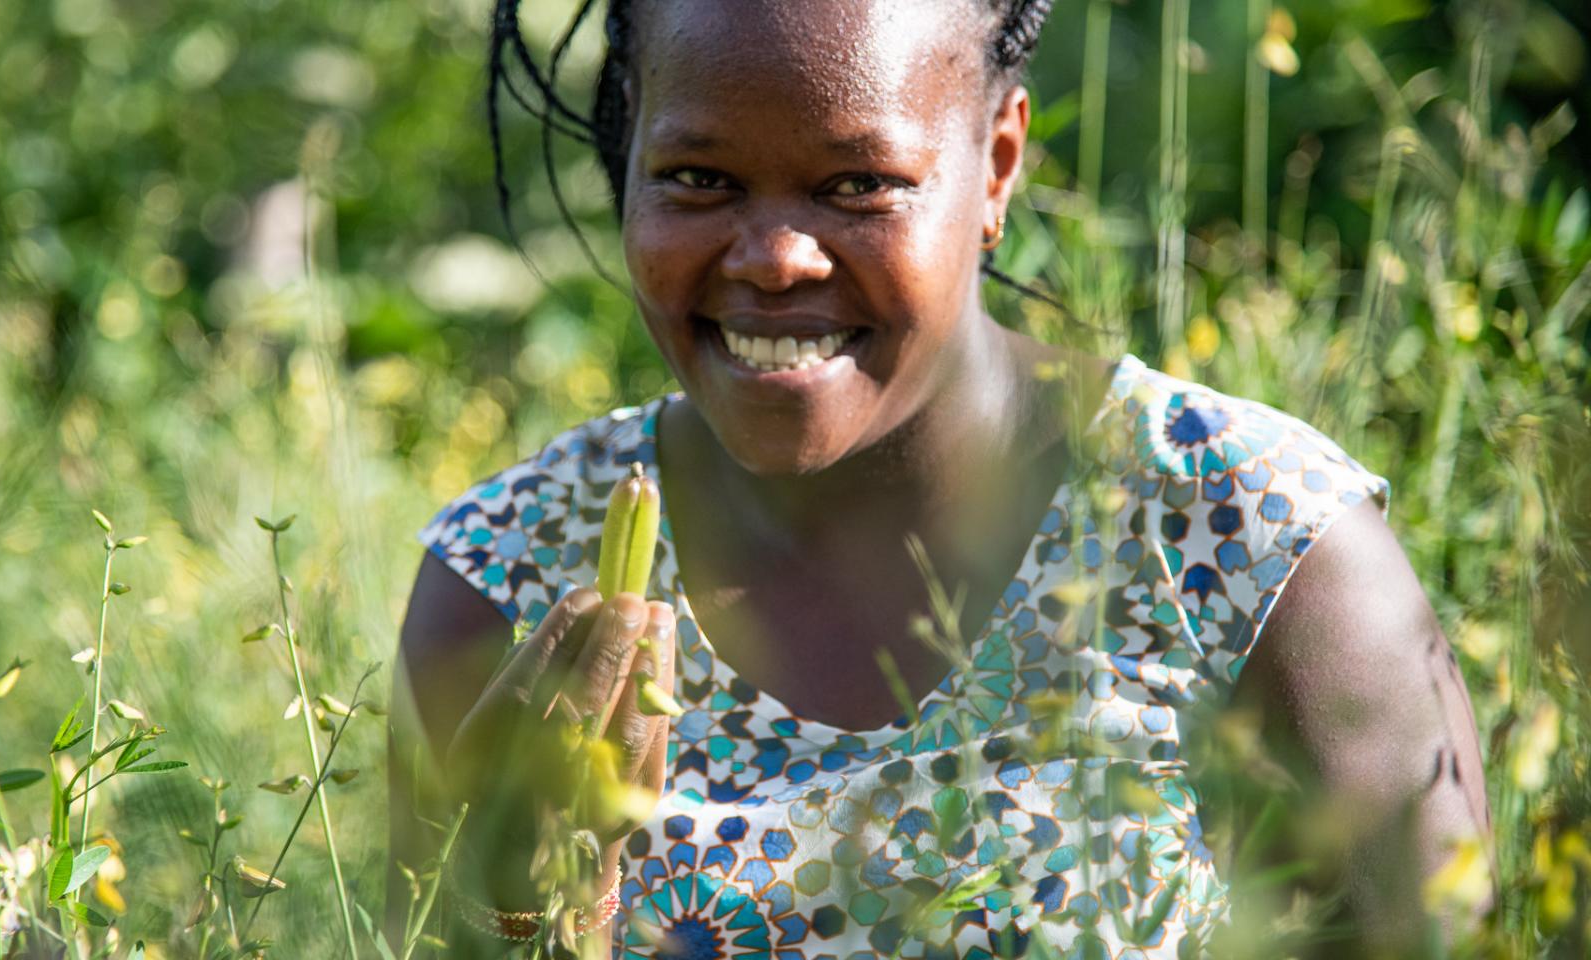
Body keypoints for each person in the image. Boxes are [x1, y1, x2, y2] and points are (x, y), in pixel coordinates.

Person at [388, 0, 1492, 956]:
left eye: (860, 182)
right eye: (699, 177)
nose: (775, 255)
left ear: (997, 163)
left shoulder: (1256, 546)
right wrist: (515, 917)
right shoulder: (509, 574)